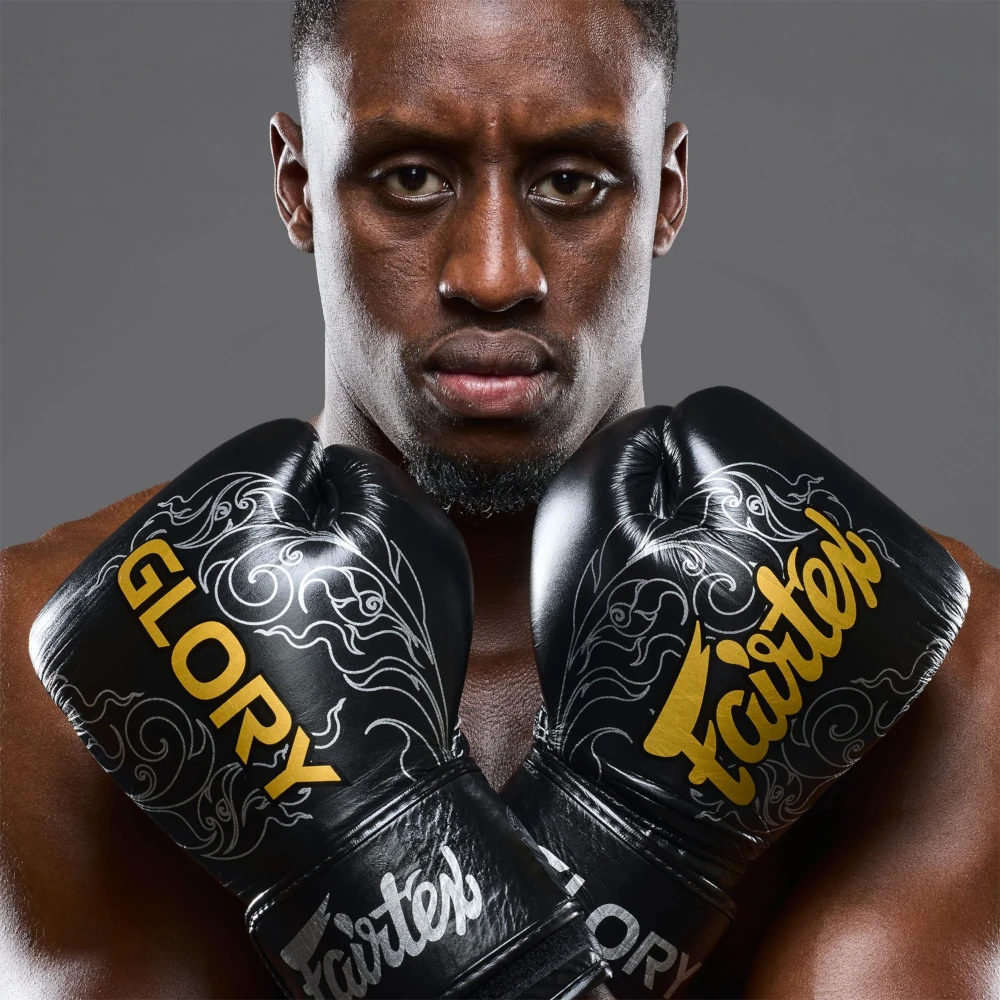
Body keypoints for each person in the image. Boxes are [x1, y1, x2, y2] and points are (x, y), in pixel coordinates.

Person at [1, 1, 997, 997]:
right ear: (299, 190)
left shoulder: (950, 683)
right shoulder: (53, 672)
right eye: (410, 178)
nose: (491, 273)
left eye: (570, 181)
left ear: (665, 194)